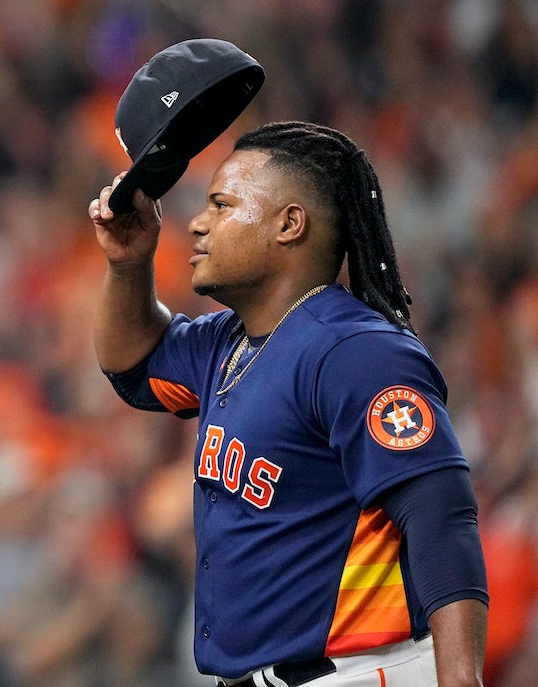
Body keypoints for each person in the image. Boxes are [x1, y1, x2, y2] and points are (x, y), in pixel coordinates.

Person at [88, 119, 488, 687]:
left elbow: (441, 519)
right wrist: (128, 267)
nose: (198, 223)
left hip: (357, 671)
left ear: (289, 224)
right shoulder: (227, 340)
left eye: (222, 205)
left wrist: (461, 681)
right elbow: (130, 368)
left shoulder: (357, 351)